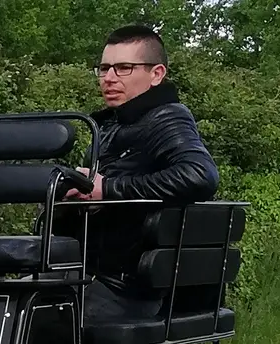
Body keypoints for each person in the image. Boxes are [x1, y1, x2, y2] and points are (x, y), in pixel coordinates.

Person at [63, 24, 220, 325]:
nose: (109, 78)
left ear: (156, 74)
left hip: (129, 290)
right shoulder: (111, 126)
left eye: (124, 68)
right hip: (88, 276)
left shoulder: (167, 116)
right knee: (0, 307)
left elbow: (201, 175)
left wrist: (107, 189)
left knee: (23, 320)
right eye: (104, 68)